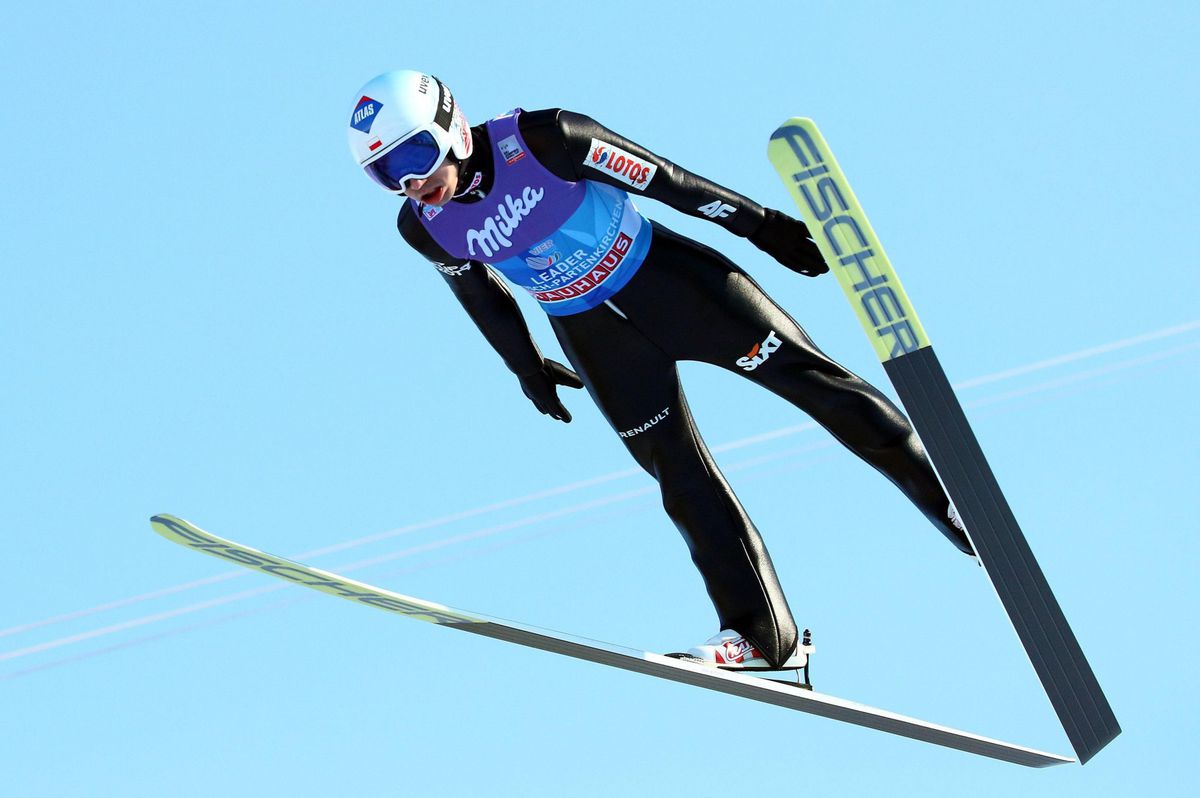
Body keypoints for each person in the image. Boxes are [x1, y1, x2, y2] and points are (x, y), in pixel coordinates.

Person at [346, 70, 973, 671]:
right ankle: (764, 639)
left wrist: (762, 227)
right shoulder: (425, 227)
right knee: (679, 475)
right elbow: (481, 295)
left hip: (672, 285)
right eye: (386, 174)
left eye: (414, 157)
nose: (411, 182)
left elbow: (668, 182)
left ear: (450, 123)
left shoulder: (545, 139)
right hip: (596, 341)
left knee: (815, 386)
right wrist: (525, 367)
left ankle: (952, 498)